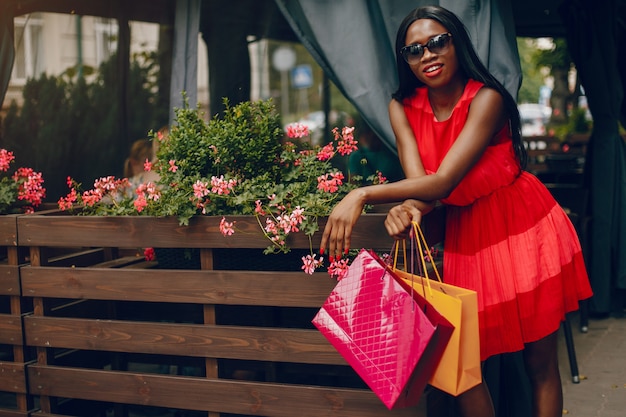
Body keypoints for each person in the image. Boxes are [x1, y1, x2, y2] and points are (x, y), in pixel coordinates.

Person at [320, 5, 592, 417]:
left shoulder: (489, 98)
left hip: (523, 225)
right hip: (469, 237)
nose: (427, 55)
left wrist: (360, 195)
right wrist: (406, 208)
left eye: (437, 42)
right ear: (405, 60)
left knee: (539, 365)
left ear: (457, 43)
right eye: (414, 50)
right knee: (465, 371)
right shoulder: (402, 108)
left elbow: (442, 182)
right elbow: (423, 189)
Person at [348, 116, 405, 184]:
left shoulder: (392, 154)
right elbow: (353, 182)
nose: (372, 136)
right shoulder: (356, 156)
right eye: (368, 133)